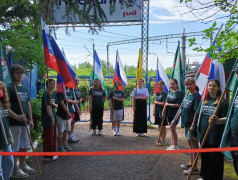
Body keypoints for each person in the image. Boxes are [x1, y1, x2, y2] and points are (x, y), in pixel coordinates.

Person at [196, 79, 228, 180]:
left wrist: (218, 120)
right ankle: (204, 176)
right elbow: (198, 116)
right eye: (209, 85)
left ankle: (215, 177)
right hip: (204, 133)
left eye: (214, 86)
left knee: (215, 158)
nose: (211, 88)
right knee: (205, 156)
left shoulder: (222, 102)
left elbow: (228, 118)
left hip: (216, 135)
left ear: (218, 87)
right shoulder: (204, 101)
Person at [7, 64, 35, 178]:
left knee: (24, 145)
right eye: (18, 73)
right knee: (16, 146)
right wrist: (16, 117)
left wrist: (31, 119)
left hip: (25, 122)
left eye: (22, 73)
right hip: (14, 123)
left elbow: (28, 104)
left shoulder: (24, 88)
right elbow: (5, 106)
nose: (20, 75)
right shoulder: (9, 87)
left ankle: (23, 165)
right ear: (12, 73)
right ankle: (15, 169)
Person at [173, 77, 201, 175]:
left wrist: (193, 126)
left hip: (192, 125)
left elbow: (196, 112)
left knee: (194, 144)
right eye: (187, 85)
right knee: (190, 143)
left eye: (190, 84)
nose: (188, 86)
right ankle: (191, 162)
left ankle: (195, 167)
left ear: (194, 84)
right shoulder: (188, 94)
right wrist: (175, 119)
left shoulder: (197, 96)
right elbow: (182, 108)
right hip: (186, 124)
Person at [163, 79, 184, 150]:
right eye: (171, 84)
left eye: (173, 84)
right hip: (168, 113)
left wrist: (168, 104)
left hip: (175, 114)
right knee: (171, 129)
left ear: (177, 84)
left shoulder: (180, 93)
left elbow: (178, 105)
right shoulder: (170, 92)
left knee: (173, 129)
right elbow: (166, 103)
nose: (172, 85)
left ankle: (175, 145)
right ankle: (172, 144)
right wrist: (163, 111)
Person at [56, 85, 77, 152]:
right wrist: (67, 112)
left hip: (69, 116)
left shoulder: (71, 92)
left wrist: (69, 101)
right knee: (61, 131)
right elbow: (61, 103)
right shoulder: (60, 92)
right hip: (61, 115)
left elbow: (75, 101)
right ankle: (60, 146)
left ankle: (64, 144)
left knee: (66, 130)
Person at [41, 79, 58, 161]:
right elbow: (47, 107)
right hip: (48, 119)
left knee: (53, 136)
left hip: (53, 117)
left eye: (54, 84)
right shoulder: (46, 94)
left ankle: (53, 152)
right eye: (51, 84)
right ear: (47, 85)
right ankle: (48, 156)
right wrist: (52, 118)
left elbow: (57, 106)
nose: (53, 85)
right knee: (48, 137)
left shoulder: (53, 94)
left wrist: (53, 103)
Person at [0, 81, 14, 180]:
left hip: (5, 140)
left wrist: (10, 136)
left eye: (2, 89)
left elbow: (6, 122)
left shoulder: (4, 104)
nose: (1, 91)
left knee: (10, 162)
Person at [227, 65, 238, 176]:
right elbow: (233, 114)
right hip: (234, 135)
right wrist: (219, 120)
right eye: (237, 72)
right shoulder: (236, 92)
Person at [153, 80, 167, 146]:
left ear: (163, 85)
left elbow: (164, 103)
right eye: (158, 85)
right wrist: (153, 111)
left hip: (162, 112)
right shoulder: (157, 93)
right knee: (159, 126)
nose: (159, 86)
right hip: (157, 112)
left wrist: (156, 102)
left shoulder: (164, 94)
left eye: (161, 85)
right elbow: (154, 103)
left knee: (163, 126)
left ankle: (163, 140)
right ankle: (160, 138)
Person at [68, 77, 82, 143]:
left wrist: (80, 100)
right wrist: (77, 109)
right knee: (71, 122)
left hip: (77, 106)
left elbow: (80, 98)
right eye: (75, 80)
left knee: (73, 122)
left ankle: (71, 135)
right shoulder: (71, 90)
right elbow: (74, 100)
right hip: (73, 108)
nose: (77, 82)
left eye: (78, 80)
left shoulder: (78, 89)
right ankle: (70, 136)